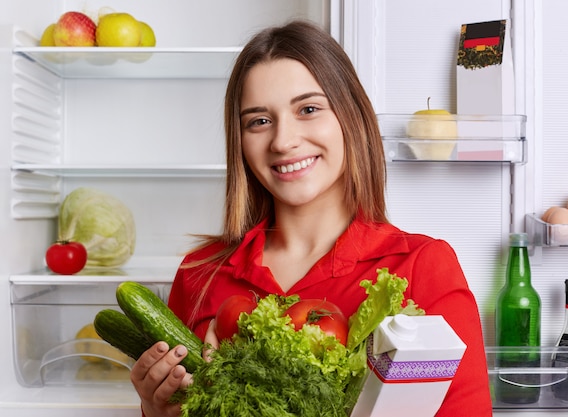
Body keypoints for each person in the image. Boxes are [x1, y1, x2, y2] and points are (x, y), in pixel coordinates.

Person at [130, 19, 492, 417]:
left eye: (308, 109)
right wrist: (155, 411)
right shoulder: (199, 273)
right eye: (259, 121)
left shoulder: (423, 268)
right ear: (241, 142)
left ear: (351, 118)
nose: (283, 141)